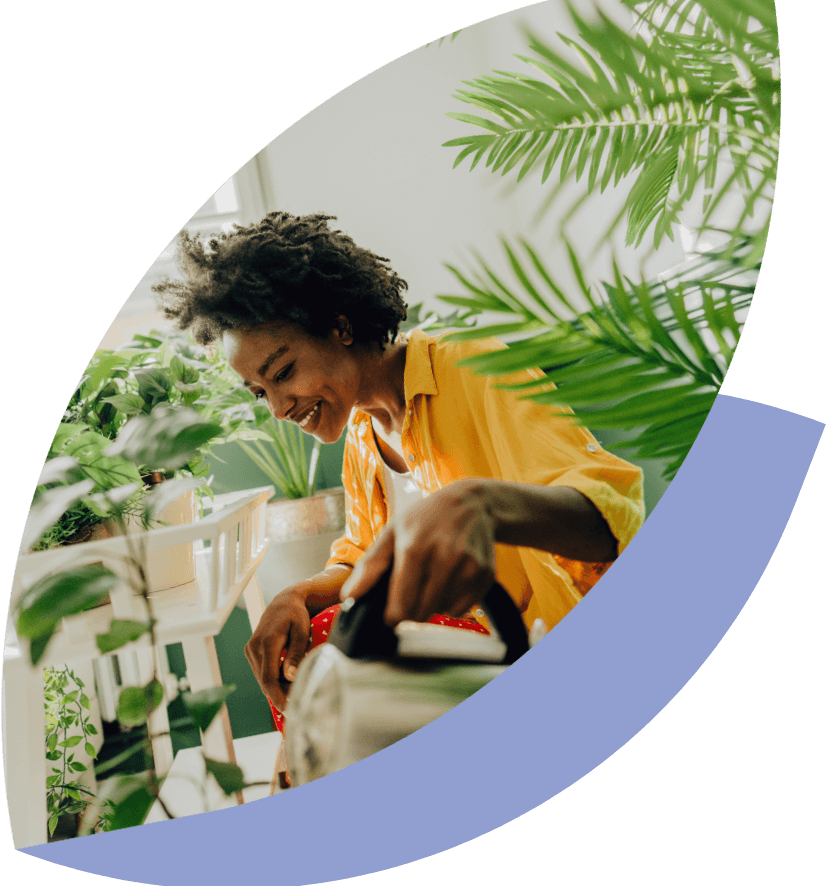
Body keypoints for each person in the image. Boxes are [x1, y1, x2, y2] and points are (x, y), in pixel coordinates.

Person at [153, 211, 645, 785]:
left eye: (283, 371)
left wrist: (479, 505)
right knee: (306, 638)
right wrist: (298, 594)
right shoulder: (364, 433)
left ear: (340, 326)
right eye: (260, 392)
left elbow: (614, 515)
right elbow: (364, 554)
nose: (279, 407)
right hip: (466, 660)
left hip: (541, 650)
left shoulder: (472, 365)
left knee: (336, 649)